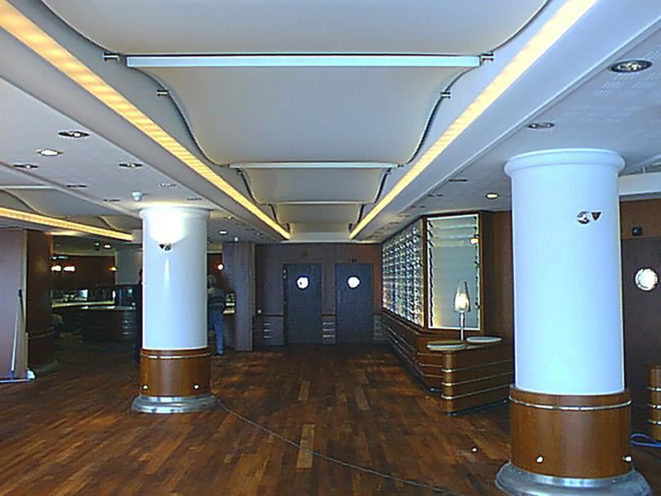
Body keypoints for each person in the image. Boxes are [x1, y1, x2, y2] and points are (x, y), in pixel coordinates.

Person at [207, 274, 226, 355]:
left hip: (211, 312)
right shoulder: (221, 292)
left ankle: (206, 349)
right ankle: (220, 350)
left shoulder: (208, 292)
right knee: (219, 332)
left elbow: (206, 303)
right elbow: (224, 303)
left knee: (206, 331)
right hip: (219, 312)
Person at [133, 270, 143, 364]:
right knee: (139, 335)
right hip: (140, 314)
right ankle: (137, 357)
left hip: (141, 314)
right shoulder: (138, 288)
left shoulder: (137, 288)